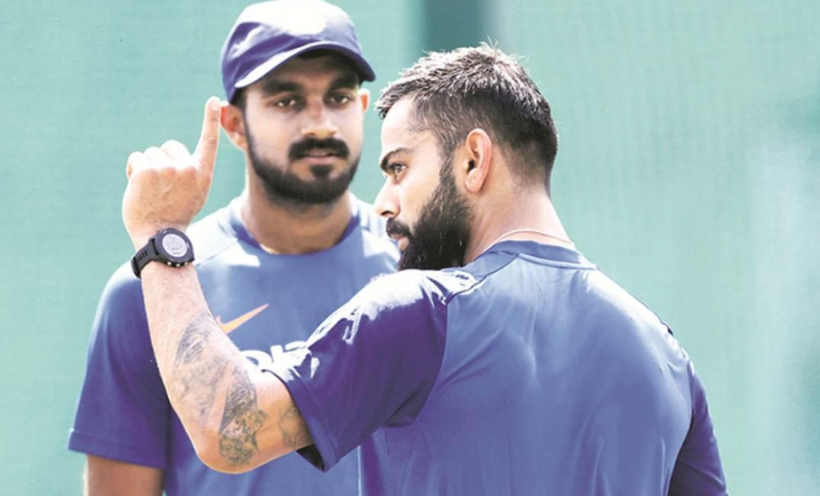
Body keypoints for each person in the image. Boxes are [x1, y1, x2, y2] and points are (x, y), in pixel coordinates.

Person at [119, 45, 728, 495]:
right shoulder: (667, 358)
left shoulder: (420, 313)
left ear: (473, 160)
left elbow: (227, 424)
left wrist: (160, 236)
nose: (384, 201)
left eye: (400, 167)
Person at [67, 1, 398, 495]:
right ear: (234, 124)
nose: (321, 124)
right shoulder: (155, 288)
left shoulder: (422, 271)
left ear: (364, 108)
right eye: (287, 101)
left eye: (339, 97)